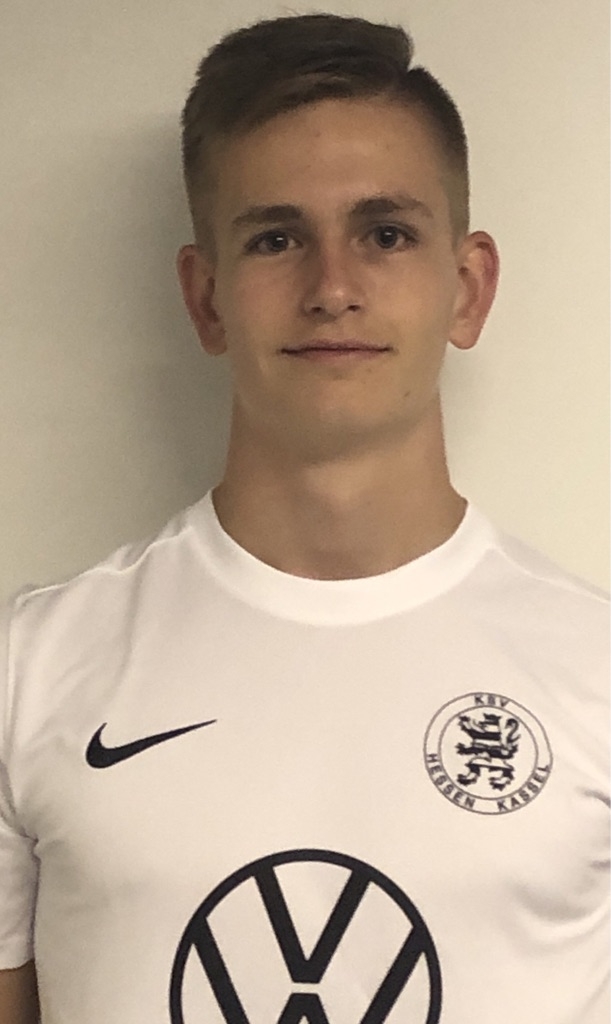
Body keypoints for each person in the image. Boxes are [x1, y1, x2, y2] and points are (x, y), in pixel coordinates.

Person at [0, 12, 608, 1024]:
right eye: (276, 238)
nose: (332, 287)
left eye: (385, 234)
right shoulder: (31, 670)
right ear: (205, 299)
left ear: (466, 288)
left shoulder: (594, 670)